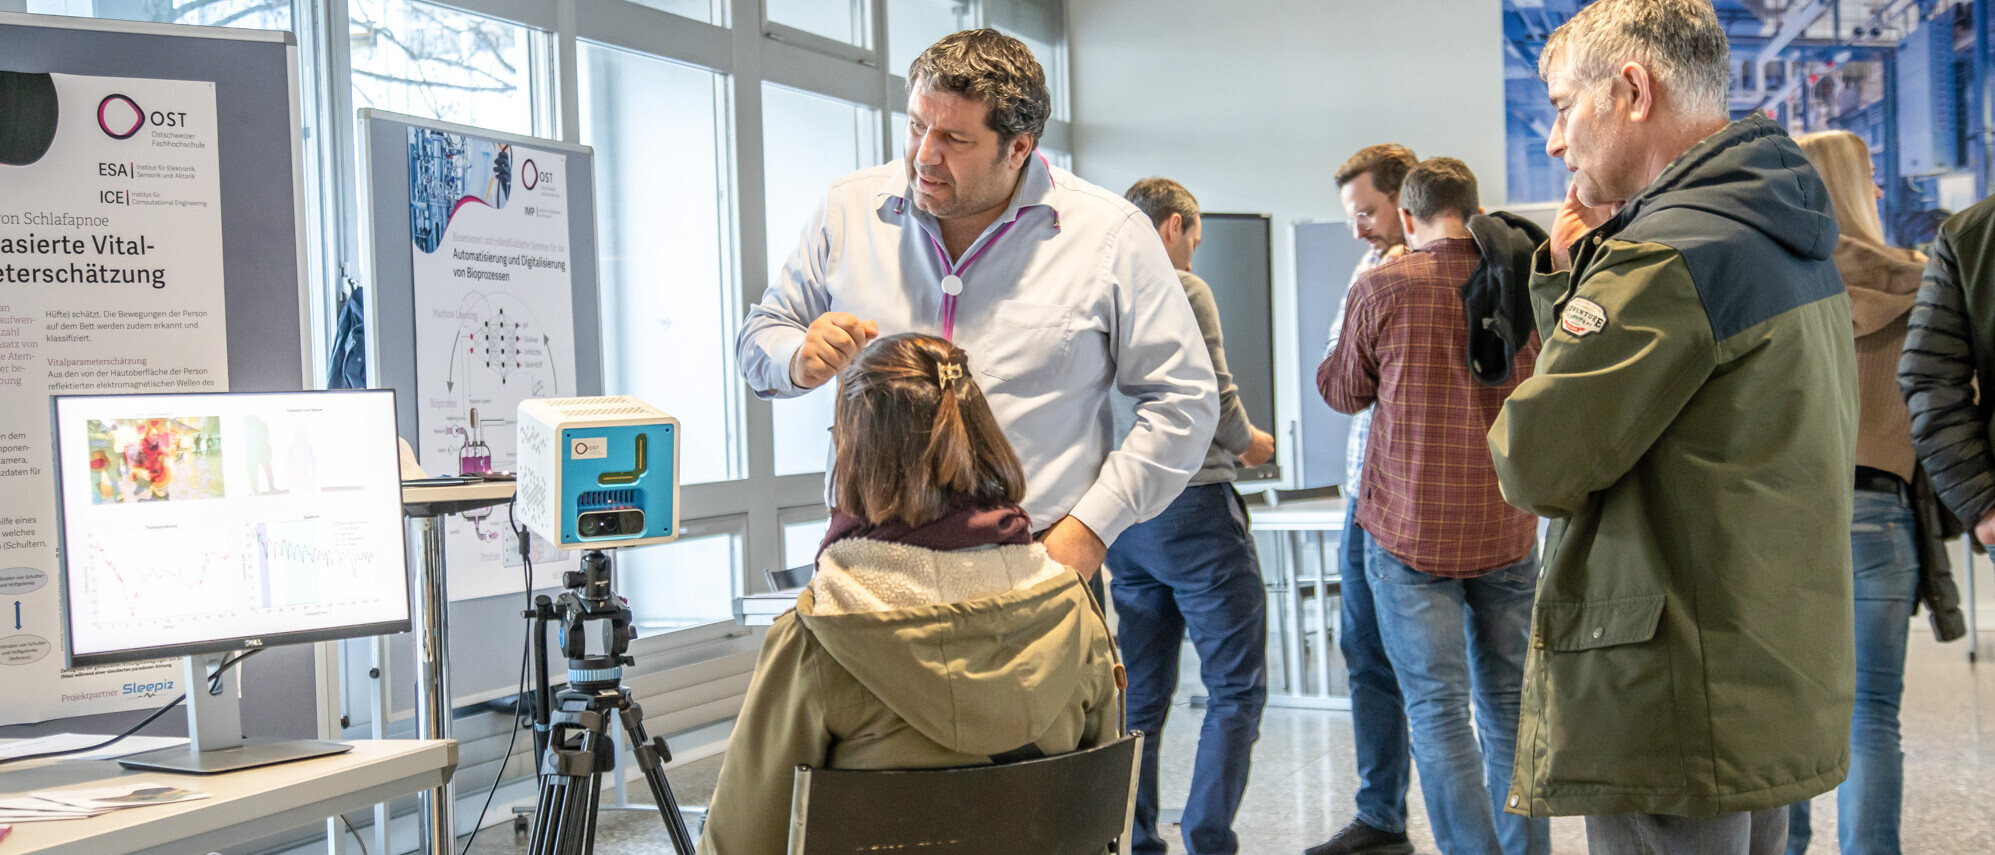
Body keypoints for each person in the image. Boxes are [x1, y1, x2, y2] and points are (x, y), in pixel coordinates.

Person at [1486, 1, 1857, 852]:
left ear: (1630, 90)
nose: (1553, 143)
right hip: (1759, 678)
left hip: (1667, 698)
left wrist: (1575, 283)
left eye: (1560, 107)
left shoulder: (1662, 258)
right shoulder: (1784, 233)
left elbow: (1534, 462)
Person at [735, 29, 1218, 580]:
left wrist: (1091, 528)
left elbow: (1184, 404)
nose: (924, 155)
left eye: (954, 139)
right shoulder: (847, 208)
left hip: (1035, 565)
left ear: (1019, 148)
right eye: (917, 125)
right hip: (869, 569)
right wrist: (797, 355)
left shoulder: (1110, 234)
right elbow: (760, 337)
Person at [697, 333, 1122, 855]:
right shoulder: (1075, 614)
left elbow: (741, 842)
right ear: (982, 440)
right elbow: (1096, 814)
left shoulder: (818, 639)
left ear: (856, 455)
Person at [1318, 158, 1547, 855]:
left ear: (1407, 217)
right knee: (1509, 709)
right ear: (1472, 207)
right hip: (1506, 527)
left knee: (1437, 710)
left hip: (1409, 534)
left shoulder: (1384, 285)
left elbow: (1341, 390)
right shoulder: (1522, 285)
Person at [1107, 177, 1271, 855]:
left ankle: (1136, 837)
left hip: (1120, 515)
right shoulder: (1180, 285)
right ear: (1172, 226)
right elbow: (1215, 390)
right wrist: (1249, 441)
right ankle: (1208, 835)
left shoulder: (1099, 289)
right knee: (1235, 686)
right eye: (1193, 240)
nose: (1193, 255)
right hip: (1195, 506)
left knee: (1140, 696)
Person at [1784, 129, 1931, 855]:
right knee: (1873, 713)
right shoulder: (1922, 278)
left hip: (1788, 517)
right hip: (1882, 510)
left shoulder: (1781, 282)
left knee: (1787, 717)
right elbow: (1945, 396)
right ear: (1859, 185)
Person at [1306, 143, 1419, 855]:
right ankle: (1381, 815)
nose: (1357, 228)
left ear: (1406, 202)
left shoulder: (1451, 269)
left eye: (1366, 212)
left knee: (1452, 672)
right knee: (1366, 651)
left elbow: (1351, 374)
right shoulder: (1367, 268)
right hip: (1363, 488)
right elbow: (1338, 372)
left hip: (1420, 495)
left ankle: (1499, 833)